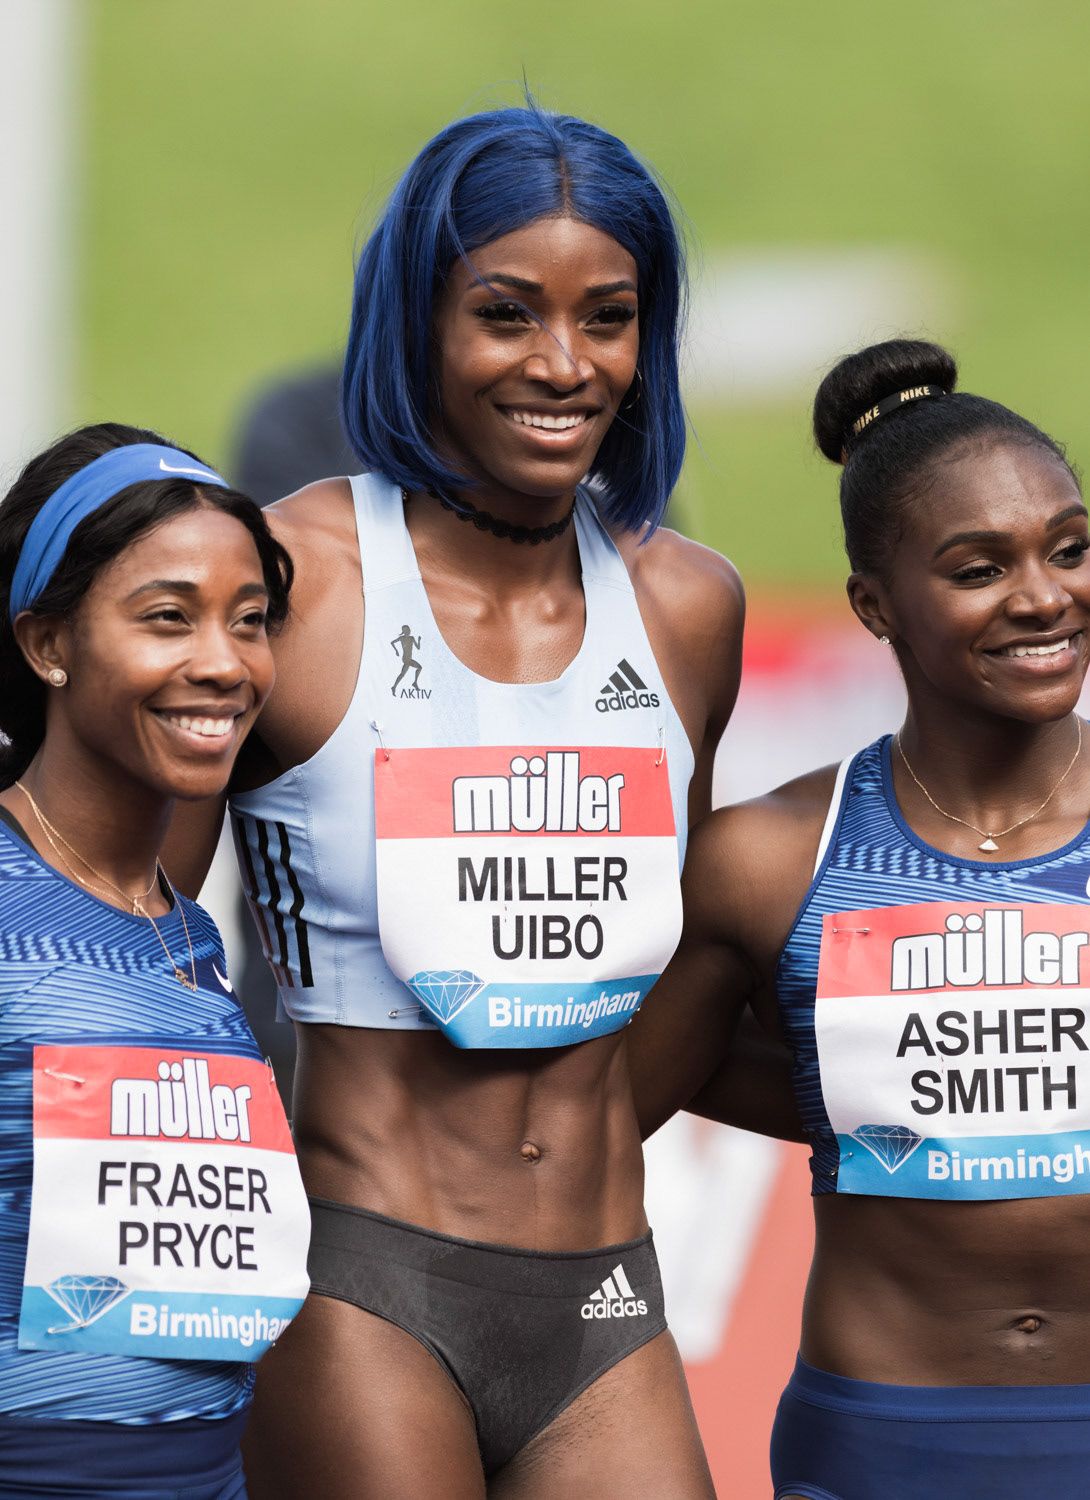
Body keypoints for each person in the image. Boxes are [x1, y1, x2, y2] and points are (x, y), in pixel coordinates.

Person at [165, 103, 744, 1497]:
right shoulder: (290, 580)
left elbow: (688, 951)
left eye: (607, 319)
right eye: (505, 313)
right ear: (415, 322)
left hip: (604, 1290)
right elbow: (139, 927)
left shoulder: (686, 605)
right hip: (361, 1278)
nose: (563, 364)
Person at [630, 338, 1090, 1500]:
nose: (1045, 596)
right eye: (978, 568)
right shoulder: (769, 859)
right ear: (873, 606)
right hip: (879, 1442)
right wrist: (863, 1102)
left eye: (1070, 548)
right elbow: (613, 1102)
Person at [0, 424, 310, 1498]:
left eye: (250, 620)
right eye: (168, 617)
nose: (224, 662)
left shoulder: (184, 931)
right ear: (48, 644)